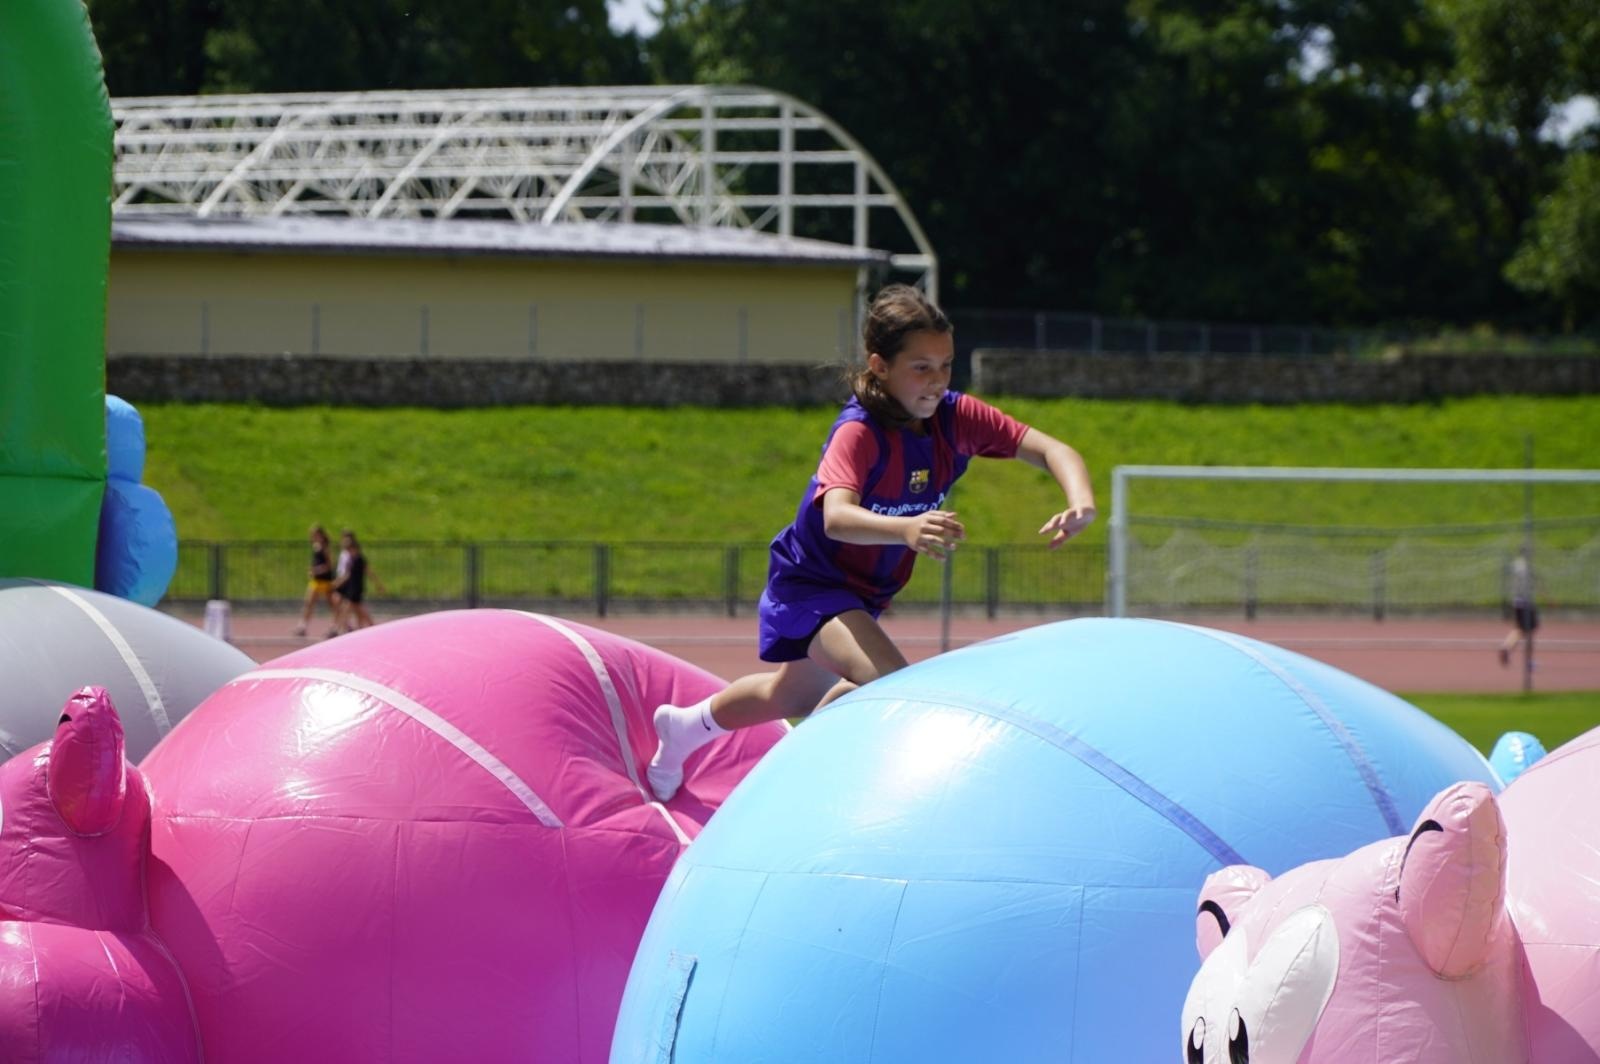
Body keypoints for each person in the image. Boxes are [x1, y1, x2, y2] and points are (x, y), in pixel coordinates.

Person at [646, 284, 1097, 801]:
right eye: (921, 367)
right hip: (811, 582)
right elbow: (837, 517)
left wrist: (1081, 501)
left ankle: (684, 727)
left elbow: (1052, 450)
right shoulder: (858, 433)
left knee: (789, 694)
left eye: (946, 365)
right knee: (891, 683)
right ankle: (783, 786)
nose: (937, 381)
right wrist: (905, 528)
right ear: (880, 366)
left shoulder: (955, 417)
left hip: (865, 590)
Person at [331, 529, 386, 633]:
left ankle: (338, 629)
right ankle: (370, 627)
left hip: (357, 587)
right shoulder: (351, 561)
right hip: (352, 587)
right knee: (359, 609)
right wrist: (338, 582)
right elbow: (347, 575)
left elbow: (370, 572)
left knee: (348, 608)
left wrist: (378, 585)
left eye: (350, 550)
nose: (349, 552)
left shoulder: (360, 560)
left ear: (355, 549)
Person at [293, 525, 337, 637]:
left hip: (325, 580)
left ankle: (338, 625)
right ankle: (302, 626)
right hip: (316, 581)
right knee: (309, 603)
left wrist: (318, 570)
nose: (313, 537)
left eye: (315, 535)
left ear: (321, 535)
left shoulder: (326, 548)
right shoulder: (315, 546)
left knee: (332, 605)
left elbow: (330, 565)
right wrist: (313, 570)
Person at [1498, 549, 1537, 667]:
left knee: (1520, 630)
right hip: (1525, 602)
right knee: (1530, 631)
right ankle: (1529, 662)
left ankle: (1506, 647)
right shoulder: (1526, 567)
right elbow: (1529, 585)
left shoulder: (1516, 565)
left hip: (1516, 601)